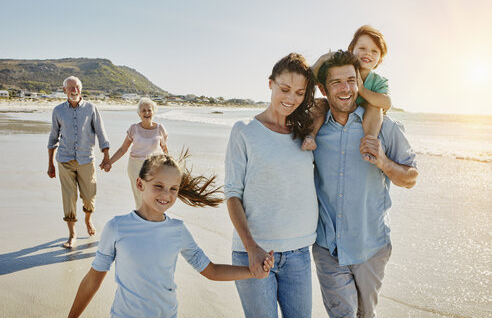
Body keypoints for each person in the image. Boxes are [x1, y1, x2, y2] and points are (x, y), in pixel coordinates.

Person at [68, 153, 274, 318]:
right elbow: (93, 280)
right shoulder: (117, 227)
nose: (166, 195)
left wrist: (253, 271)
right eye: (158, 186)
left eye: (173, 189)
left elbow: (211, 271)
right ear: (140, 184)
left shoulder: (178, 230)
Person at [311, 50, 418, 317]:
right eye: (336, 83)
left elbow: (411, 178)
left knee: (366, 315)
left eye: (351, 80)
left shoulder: (385, 128)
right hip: (328, 248)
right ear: (323, 89)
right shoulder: (314, 130)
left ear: (360, 82)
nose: (346, 89)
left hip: (371, 247)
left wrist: (384, 162)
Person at [225, 53, 319, 318]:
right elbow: (232, 194)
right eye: (284, 89)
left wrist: (311, 131)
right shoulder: (244, 130)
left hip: (299, 253)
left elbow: (328, 100)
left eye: (300, 92)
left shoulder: (305, 131)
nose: (291, 98)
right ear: (270, 84)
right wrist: (251, 247)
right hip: (253, 252)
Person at [302, 25, 391, 158]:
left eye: (374, 51)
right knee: (320, 104)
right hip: (340, 109)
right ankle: (311, 136)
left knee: (375, 107)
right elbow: (307, 81)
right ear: (351, 50)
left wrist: (361, 89)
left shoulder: (378, 81)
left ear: (381, 59)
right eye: (362, 48)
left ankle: (369, 141)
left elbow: (386, 102)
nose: (368, 53)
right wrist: (322, 59)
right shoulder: (341, 67)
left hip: (366, 116)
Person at [47, 76, 110, 249]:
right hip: (64, 160)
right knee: (69, 198)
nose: (74, 90)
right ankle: (72, 234)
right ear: (64, 90)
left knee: (89, 196)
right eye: (70, 87)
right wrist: (50, 163)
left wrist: (106, 155)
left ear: (81, 89)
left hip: (86, 160)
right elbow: (53, 138)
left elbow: (101, 132)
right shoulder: (58, 111)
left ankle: (88, 220)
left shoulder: (91, 108)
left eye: (77, 87)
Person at [104, 97, 168, 208]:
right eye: (144, 110)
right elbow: (123, 149)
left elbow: (165, 149)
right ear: (139, 113)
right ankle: (143, 219)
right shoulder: (134, 129)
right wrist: (109, 162)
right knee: (140, 195)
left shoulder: (160, 128)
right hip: (135, 166)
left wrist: (170, 167)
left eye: (149, 110)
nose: (147, 113)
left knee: (154, 193)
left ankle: (154, 217)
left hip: (154, 166)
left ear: (154, 112)